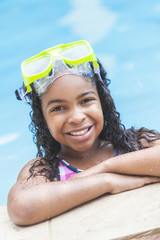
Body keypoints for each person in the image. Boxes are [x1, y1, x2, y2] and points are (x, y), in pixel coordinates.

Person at [8, 40, 160, 226]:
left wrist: (102, 168)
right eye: (58, 108)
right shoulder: (45, 170)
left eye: (86, 100)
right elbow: (22, 208)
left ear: (102, 102)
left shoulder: (133, 144)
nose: (77, 117)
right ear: (43, 119)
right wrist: (107, 182)